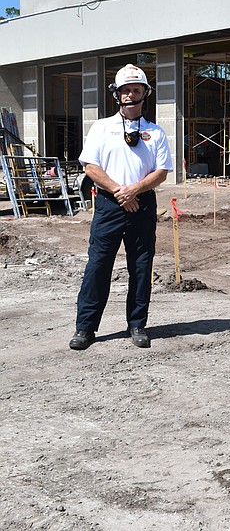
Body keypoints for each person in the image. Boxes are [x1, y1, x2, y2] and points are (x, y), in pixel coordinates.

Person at [69, 64, 173, 351]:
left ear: (144, 94)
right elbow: (90, 165)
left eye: (136, 90)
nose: (130, 95)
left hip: (141, 205)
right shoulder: (102, 127)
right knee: (98, 266)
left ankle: (137, 325)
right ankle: (85, 328)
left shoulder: (155, 133)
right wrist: (118, 191)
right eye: (125, 90)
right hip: (109, 205)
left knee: (141, 267)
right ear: (117, 94)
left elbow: (162, 171)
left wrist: (133, 190)